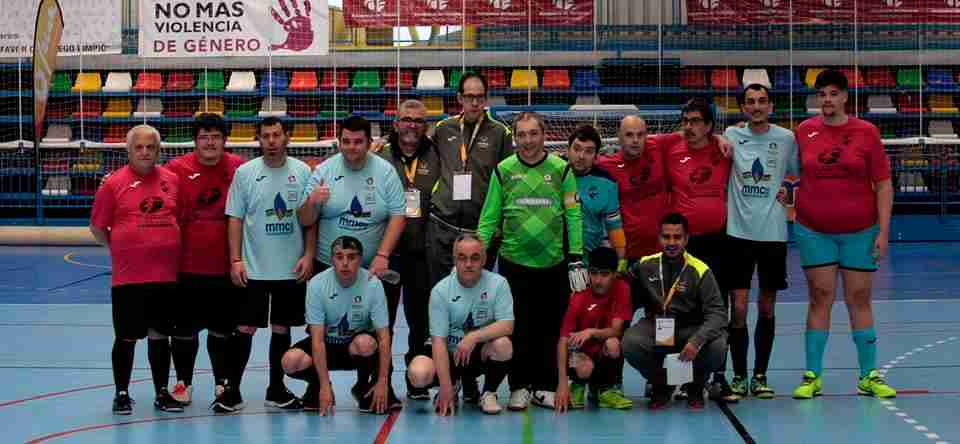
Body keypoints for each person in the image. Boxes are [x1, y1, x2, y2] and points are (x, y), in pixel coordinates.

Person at [791, 69, 896, 399]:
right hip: (814, 232)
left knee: (859, 299)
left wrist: (883, 232)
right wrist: (791, 212)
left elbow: (883, 184)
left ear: (846, 97)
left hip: (860, 232)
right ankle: (812, 377)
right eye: (822, 94)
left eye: (834, 93)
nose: (827, 100)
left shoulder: (867, 132)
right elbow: (787, 174)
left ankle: (868, 375)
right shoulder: (803, 132)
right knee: (820, 298)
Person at [476, 111, 584, 411]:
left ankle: (546, 385)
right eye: (521, 135)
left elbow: (573, 214)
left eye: (532, 133)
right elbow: (489, 218)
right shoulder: (504, 170)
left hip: (554, 263)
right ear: (515, 138)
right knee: (519, 328)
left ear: (543, 134)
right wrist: (478, 257)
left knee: (550, 327)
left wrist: (576, 256)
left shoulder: (562, 170)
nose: (527, 140)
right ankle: (519, 386)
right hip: (514, 262)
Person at [299, 115, 406, 403]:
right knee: (319, 329)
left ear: (369, 143)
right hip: (328, 264)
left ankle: (374, 385)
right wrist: (312, 202)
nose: (351, 147)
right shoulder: (323, 171)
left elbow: (399, 214)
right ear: (339, 141)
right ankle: (317, 386)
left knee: (379, 328)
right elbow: (306, 219)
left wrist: (383, 255)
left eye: (358, 142)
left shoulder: (385, 172)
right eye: (346, 141)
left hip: (374, 266)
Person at [220, 116, 316, 413]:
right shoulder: (245, 173)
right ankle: (232, 390)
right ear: (258, 139)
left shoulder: (302, 172)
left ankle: (276, 388)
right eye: (266, 136)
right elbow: (234, 218)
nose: (271, 141)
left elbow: (311, 219)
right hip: (254, 268)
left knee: (281, 328)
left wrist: (309, 255)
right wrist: (236, 259)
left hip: (290, 268)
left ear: (287, 137)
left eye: (277, 135)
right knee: (246, 327)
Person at [90, 124, 184, 414]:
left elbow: (177, 216)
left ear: (158, 150)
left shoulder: (171, 180)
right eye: (139, 147)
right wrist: (121, 247)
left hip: (165, 276)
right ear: (128, 151)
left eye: (150, 147)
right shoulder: (113, 184)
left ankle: (161, 392)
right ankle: (121, 393)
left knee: (160, 336)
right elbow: (96, 226)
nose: (145, 152)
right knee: (126, 337)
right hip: (129, 276)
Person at [723, 84, 799, 399]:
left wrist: (788, 190)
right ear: (742, 108)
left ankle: (760, 375)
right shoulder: (730, 135)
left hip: (773, 234)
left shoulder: (786, 138)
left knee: (766, 306)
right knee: (738, 308)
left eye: (762, 102)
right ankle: (739, 375)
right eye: (750, 102)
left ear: (770, 106)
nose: (756, 107)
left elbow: (794, 176)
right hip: (738, 234)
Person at [165, 113, 245, 406]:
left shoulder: (239, 168)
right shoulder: (176, 169)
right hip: (186, 266)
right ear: (195, 141)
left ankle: (221, 382)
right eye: (204, 137)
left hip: (226, 266)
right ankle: (183, 382)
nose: (210, 143)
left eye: (215, 137)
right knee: (184, 330)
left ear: (225, 140)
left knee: (222, 330)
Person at [664, 97, 736, 402]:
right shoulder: (670, 147)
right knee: (677, 309)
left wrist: (723, 138)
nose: (689, 127)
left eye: (696, 121)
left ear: (709, 125)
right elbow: (636, 141)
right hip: (682, 247)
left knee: (717, 310)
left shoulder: (725, 150)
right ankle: (675, 379)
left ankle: (718, 377)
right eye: (686, 120)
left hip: (718, 242)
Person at [281, 236, 400, 415]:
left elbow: (384, 338)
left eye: (351, 257)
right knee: (290, 362)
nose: (345, 263)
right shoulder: (317, 285)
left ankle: (363, 386)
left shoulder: (373, 284)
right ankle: (316, 386)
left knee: (366, 343)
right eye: (339, 256)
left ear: (360, 259)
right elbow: (317, 341)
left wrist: (382, 381)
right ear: (332, 259)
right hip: (328, 346)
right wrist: (324, 386)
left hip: (356, 348)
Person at [622, 213, 728, 410]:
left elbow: (718, 314)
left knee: (718, 346)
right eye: (666, 236)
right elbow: (622, 289)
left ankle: (696, 384)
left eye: (677, 237)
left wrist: (697, 341)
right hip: (658, 325)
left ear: (686, 239)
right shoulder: (645, 265)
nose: (671, 242)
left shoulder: (700, 270)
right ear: (659, 237)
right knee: (630, 342)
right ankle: (661, 384)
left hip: (690, 328)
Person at [375, 100, 442, 399]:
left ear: (425, 125)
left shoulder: (438, 154)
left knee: (420, 320)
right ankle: (382, 383)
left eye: (418, 120)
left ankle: (417, 383)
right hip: (387, 253)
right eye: (406, 119)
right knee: (383, 322)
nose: (412, 125)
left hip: (422, 252)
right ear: (395, 123)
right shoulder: (379, 155)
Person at [406, 234, 514, 416]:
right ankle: (452, 384)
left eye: (475, 257)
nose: (469, 264)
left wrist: (473, 336)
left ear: (485, 259)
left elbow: (507, 325)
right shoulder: (441, 290)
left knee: (503, 345)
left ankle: (489, 393)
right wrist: (446, 387)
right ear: (454, 259)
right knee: (418, 373)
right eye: (462, 258)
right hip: (448, 353)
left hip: (477, 353)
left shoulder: (499, 284)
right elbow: (438, 342)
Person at [555, 247, 633, 412]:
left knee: (613, 344)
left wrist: (590, 332)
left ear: (614, 274)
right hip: (580, 354)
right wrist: (562, 383)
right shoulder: (579, 295)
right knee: (584, 368)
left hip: (603, 349)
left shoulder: (622, 289)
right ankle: (577, 385)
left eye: (604, 274)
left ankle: (604, 390)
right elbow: (562, 340)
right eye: (594, 273)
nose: (598, 280)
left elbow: (616, 330)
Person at [564, 125, 626, 266]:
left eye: (589, 151)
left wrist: (621, 259)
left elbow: (614, 226)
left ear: (596, 156)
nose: (581, 156)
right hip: (554, 260)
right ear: (568, 150)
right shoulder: (555, 175)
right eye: (577, 148)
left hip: (589, 264)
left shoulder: (607, 183)